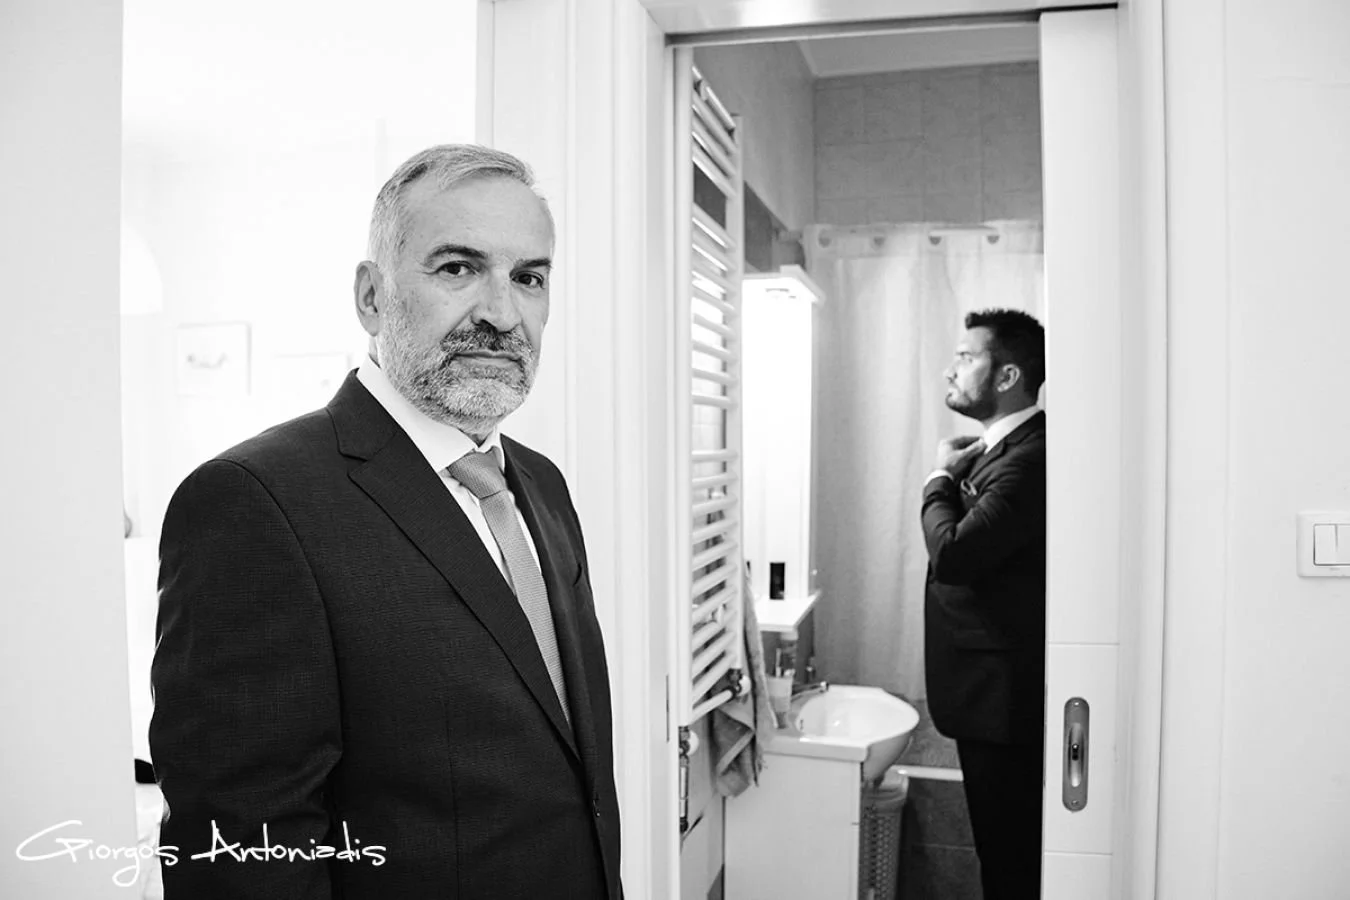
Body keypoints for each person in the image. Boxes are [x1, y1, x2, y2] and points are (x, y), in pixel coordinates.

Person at [150, 144, 622, 899]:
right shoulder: (254, 502)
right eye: (458, 268)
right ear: (372, 296)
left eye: (529, 278)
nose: (503, 314)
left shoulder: (542, 486)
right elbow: (240, 848)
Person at [920, 308, 1047, 900]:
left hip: (1003, 702)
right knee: (1002, 851)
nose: (951, 368)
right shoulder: (1003, 450)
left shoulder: (1030, 458)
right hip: (990, 697)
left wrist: (938, 480)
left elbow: (954, 556)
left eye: (967, 357)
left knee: (1010, 858)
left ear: (1006, 376)